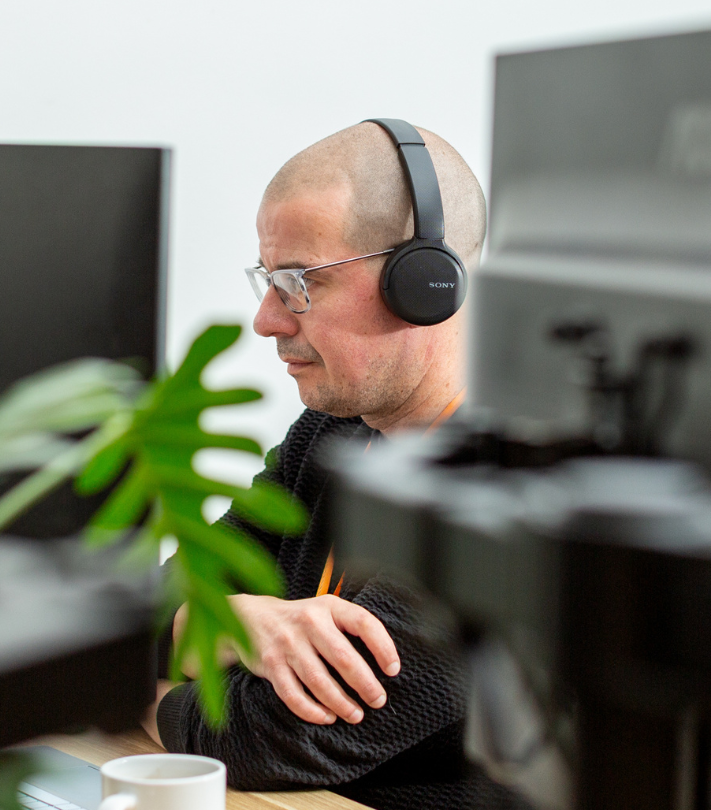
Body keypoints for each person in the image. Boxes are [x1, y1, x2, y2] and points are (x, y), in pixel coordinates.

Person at [142, 121, 516, 810]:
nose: (266, 319)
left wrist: (156, 685)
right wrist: (241, 621)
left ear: (424, 284)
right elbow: (144, 609)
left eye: (298, 282)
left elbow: (266, 740)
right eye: (268, 278)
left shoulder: (502, 488)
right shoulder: (332, 433)